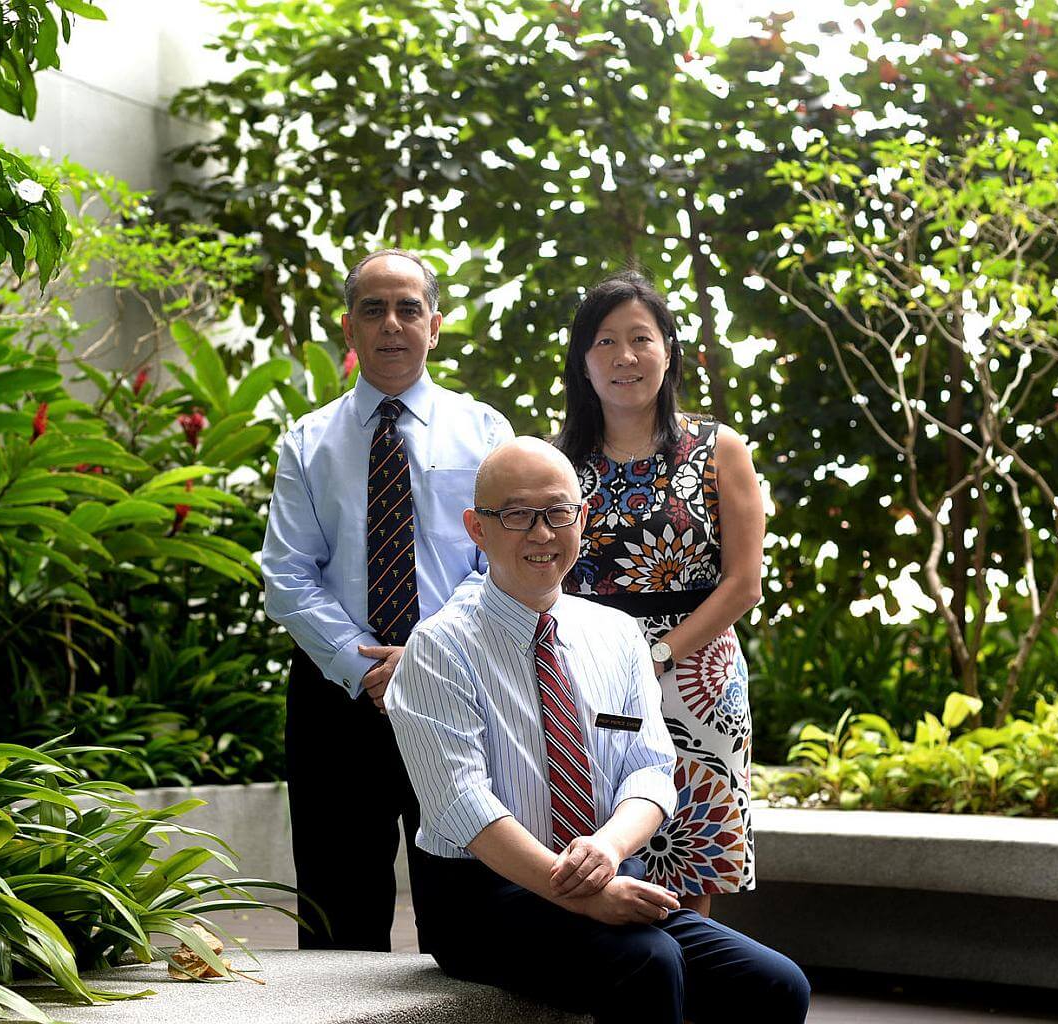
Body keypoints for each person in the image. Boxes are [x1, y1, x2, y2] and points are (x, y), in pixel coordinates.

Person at [386, 437, 807, 1024]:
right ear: (477, 529)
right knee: (649, 961)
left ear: (582, 519)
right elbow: (463, 806)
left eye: (558, 512)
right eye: (517, 514)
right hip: (485, 896)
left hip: (609, 867)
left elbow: (650, 771)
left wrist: (608, 850)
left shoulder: (617, 634)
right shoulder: (439, 646)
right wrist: (581, 895)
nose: (541, 533)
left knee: (777, 985)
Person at [260, 249, 513, 950]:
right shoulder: (308, 441)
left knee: (467, 907)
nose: (392, 324)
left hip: (459, 687)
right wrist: (366, 665)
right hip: (336, 695)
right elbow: (287, 573)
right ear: (349, 329)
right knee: (336, 911)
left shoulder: (485, 432)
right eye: (373, 310)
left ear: (435, 324)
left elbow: (504, 560)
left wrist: (424, 655)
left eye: (408, 309)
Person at [555, 270, 765, 916]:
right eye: (605, 341)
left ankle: (692, 975)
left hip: (696, 677)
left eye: (641, 338)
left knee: (688, 858)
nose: (625, 356)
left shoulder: (719, 448)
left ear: (668, 351)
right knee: (592, 850)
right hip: (588, 678)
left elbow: (744, 582)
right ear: (583, 362)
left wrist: (660, 653)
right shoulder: (557, 462)